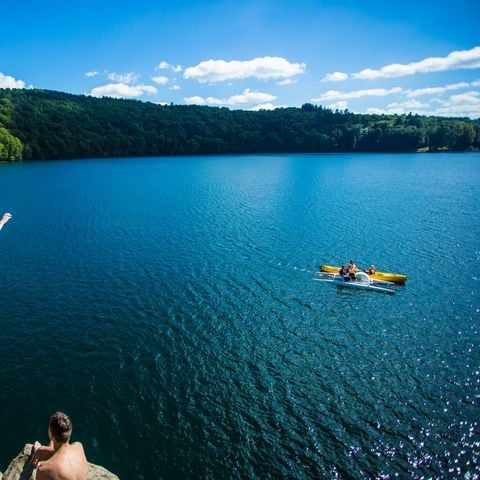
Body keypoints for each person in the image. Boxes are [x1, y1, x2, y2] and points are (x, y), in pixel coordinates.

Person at [30, 412, 88, 480]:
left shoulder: (44, 470)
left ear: (50, 433)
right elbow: (61, 453)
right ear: (70, 432)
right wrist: (41, 449)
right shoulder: (79, 446)